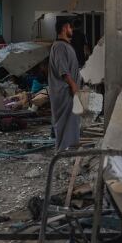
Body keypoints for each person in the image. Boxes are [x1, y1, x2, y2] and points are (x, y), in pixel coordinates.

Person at [49, 19, 82, 150]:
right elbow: (63, 70)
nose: (72, 30)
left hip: (69, 91)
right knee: (65, 122)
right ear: (65, 28)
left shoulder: (65, 45)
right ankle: (63, 149)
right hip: (63, 91)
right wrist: (73, 85)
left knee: (72, 121)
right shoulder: (59, 46)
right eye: (70, 28)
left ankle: (71, 147)